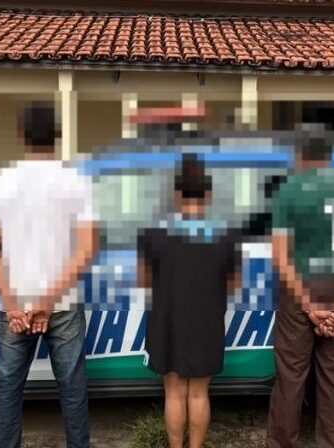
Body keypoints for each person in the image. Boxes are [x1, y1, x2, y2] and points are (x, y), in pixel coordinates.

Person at [0, 103, 98, 448]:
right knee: (73, 390)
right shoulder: (77, 182)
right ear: (57, 135)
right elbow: (87, 249)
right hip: (62, 306)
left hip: (14, 308)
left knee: (7, 390)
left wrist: (13, 303)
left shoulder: (2, 183)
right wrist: (47, 301)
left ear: (22, 135)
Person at [266, 133, 334, 448]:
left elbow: (281, 256)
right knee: (333, 376)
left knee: (290, 376)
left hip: (297, 297)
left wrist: (309, 305)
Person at [137, 154, 241, 448]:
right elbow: (235, 285)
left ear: (176, 193)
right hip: (207, 322)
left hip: (167, 321)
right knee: (198, 393)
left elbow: (143, 282)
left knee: (173, 393)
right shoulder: (226, 233)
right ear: (208, 194)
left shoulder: (154, 232)